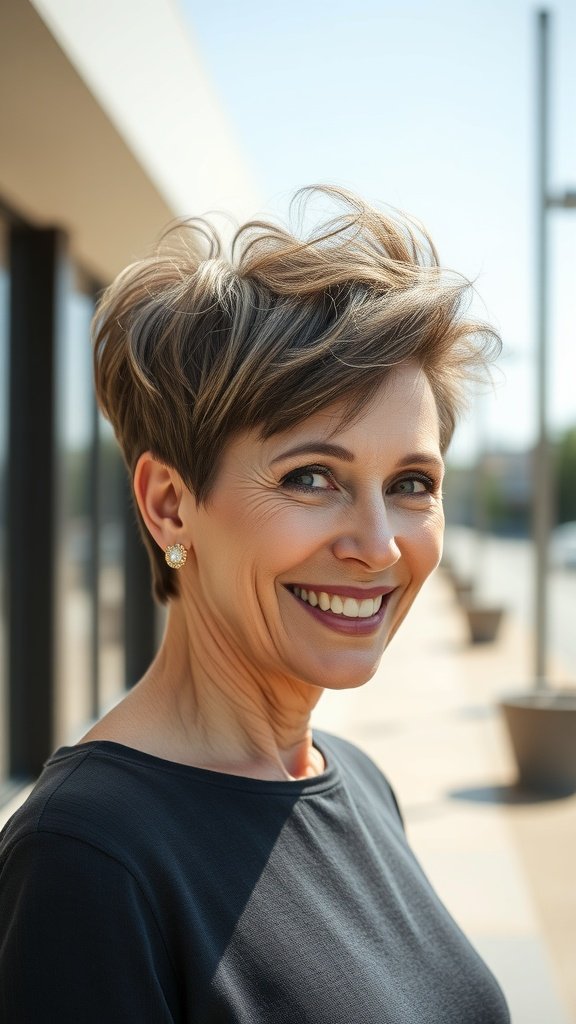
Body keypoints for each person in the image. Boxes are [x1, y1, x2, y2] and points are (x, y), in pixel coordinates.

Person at [0, 186, 510, 1022]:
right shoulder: (85, 862)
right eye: (313, 477)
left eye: (411, 484)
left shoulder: (359, 782)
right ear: (170, 504)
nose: (378, 545)